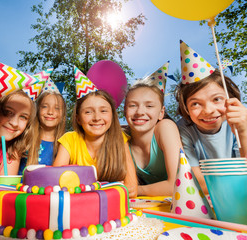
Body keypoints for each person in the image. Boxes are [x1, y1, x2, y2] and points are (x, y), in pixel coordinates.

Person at [175, 41, 247, 193]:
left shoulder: (241, 118)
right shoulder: (183, 128)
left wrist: (242, 131)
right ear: (185, 108)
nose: (208, 110)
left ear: (230, 97)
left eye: (216, 99)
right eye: (195, 104)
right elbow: (194, 180)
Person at [53, 66, 138, 198]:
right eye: (88, 112)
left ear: (112, 115)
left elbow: (132, 190)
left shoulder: (119, 138)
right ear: (78, 118)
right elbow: (55, 182)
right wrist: (109, 189)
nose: (97, 117)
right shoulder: (69, 140)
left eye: (103, 111)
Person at [124, 62, 182, 196]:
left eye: (149, 106)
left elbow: (179, 183)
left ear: (161, 113)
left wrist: (138, 190)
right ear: (124, 111)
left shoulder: (165, 128)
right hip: (151, 206)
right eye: (133, 105)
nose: (140, 112)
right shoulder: (123, 141)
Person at [0, 90, 35, 185]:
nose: (14, 123)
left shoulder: (13, 150)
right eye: (8, 112)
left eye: (23, 117)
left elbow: (4, 188)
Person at [25, 78, 66, 170]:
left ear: (63, 113)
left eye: (56, 108)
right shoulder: (26, 138)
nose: (50, 112)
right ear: (37, 109)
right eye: (45, 106)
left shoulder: (65, 144)